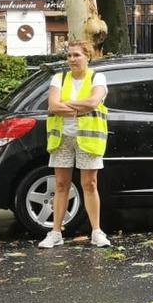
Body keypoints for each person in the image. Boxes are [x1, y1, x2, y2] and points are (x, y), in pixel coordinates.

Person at [38, 40, 112, 249]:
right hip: (62, 138)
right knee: (60, 185)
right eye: (69, 55)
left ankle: (96, 231)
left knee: (90, 185)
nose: (72, 59)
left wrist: (66, 106)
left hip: (88, 138)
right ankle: (55, 233)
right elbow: (52, 105)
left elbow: (92, 102)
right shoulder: (58, 78)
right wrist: (76, 108)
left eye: (77, 55)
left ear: (87, 56)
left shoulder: (98, 77)